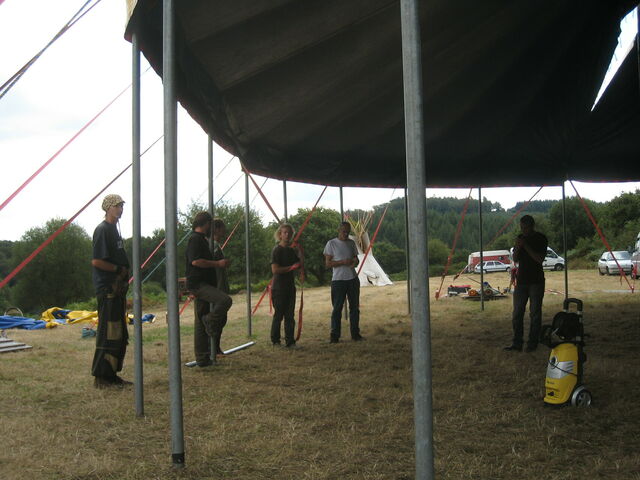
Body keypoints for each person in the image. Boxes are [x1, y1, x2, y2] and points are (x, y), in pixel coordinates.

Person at [90, 193, 132, 388]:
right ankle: (102, 377)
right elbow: (97, 261)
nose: (120, 209)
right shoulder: (102, 230)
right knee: (109, 332)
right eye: (117, 206)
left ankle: (112, 374)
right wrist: (117, 270)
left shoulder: (114, 230)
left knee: (119, 334)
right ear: (108, 208)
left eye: (122, 206)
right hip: (107, 288)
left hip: (117, 290)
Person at [186, 212, 232, 367]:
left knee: (200, 322)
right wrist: (218, 264)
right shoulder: (195, 239)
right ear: (206, 224)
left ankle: (202, 359)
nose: (212, 228)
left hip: (204, 283)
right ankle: (210, 321)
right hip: (199, 284)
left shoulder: (201, 240)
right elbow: (196, 262)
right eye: (210, 224)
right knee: (225, 300)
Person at [505, 215, 548, 352]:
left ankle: (532, 344)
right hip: (522, 281)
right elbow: (515, 259)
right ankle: (517, 343)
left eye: (526, 228)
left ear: (532, 226)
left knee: (535, 314)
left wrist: (526, 246)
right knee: (517, 313)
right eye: (522, 228)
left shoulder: (540, 238)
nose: (523, 230)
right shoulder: (520, 238)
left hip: (536, 281)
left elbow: (539, 259)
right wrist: (518, 247)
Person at [323, 221, 363, 343]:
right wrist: (342, 262)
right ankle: (334, 336)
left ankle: (355, 334)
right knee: (337, 309)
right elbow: (328, 264)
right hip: (338, 281)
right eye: (344, 231)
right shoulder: (331, 243)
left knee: (354, 308)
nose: (346, 234)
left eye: (348, 232)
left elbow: (356, 259)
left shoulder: (351, 243)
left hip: (352, 279)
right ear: (339, 230)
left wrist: (354, 262)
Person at [270, 223, 302, 348]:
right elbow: (275, 270)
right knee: (278, 315)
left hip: (290, 287)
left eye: (290, 233)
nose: (287, 235)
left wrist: (300, 252)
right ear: (280, 234)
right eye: (285, 232)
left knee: (290, 315)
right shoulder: (277, 250)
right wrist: (291, 268)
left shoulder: (291, 250)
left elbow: (299, 264)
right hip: (278, 288)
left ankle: (290, 341)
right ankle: (275, 340)